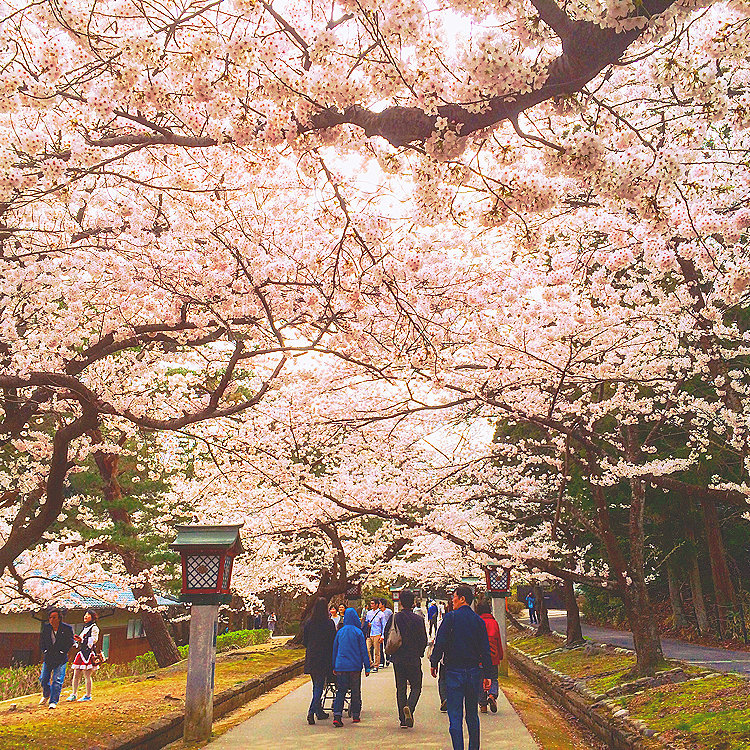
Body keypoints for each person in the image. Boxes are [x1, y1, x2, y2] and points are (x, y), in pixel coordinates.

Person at [430, 585, 493, 750]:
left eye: (454, 597)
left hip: (453, 672)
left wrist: (434, 662)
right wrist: (488, 675)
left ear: (462, 599)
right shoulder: (478, 621)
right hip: (473, 672)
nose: (453, 600)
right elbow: (485, 650)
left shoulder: (450, 618)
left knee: (455, 716)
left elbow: (440, 641)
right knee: (472, 715)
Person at [389, 589, 428, 729]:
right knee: (416, 686)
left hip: (398, 658)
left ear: (400, 602)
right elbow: (424, 639)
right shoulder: (418, 619)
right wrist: (420, 652)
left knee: (400, 687)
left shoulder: (394, 618)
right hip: (413, 658)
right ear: (413, 603)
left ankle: (402, 719)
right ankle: (409, 708)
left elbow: (388, 635)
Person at [331, 607, 371, 727]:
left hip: (341, 666)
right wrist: (367, 667)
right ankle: (356, 714)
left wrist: (334, 665)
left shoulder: (340, 632)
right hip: (354, 666)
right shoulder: (358, 632)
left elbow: (335, 650)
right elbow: (363, 651)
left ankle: (337, 715)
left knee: (341, 691)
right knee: (355, 690)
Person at [302, 597, 336, 724]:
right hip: (324, 658)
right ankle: (311, 711)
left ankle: (319, 711)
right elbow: (333, 641)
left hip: (311, 657)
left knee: (316, 686)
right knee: (319, 686)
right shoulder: (329, 623)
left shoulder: (309, 622)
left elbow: (304, 641)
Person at [39, 607, 75, 709]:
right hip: (48, 657)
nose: (52, 620)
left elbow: (70, 641)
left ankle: (53, 701)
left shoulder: (66, 629)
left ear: (59, 618)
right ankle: (46, 694)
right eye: (50, 617)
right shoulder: (46, 628)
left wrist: (62, 651)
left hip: (60, 658)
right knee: (43, 678)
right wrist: (44, 650)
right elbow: (42, 641)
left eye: (54, 617)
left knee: (57, 680)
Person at [66, 609, 100, 702]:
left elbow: (93, 640)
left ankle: (88, 695)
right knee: (76, 674)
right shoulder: (85, 627)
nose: (85, 616)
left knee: (87, 675)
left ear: (92, 617)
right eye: (85, 615)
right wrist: (78, 640)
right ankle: (74, 694)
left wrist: (82, 640)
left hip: (88, 653)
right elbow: (82, 640)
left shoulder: (94, 628)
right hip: (81, 652)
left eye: (88, 615)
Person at [476, 601, 503, 713]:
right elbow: (498, 640)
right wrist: (500, 655)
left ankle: (482, 705)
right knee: (493, 678)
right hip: (493, 656)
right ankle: (492, 695)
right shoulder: (494, 623)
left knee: (480, 680)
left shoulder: (477, 622)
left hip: (480, 657)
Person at [437, 597, 454, 712]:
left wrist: (434, 660)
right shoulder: (472, 619)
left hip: (445, 656)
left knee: (442, 679)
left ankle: (444, 698)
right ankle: (452, 699)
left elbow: (439, 640)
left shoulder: (443, 621)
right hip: (461, 657)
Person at [378, 598, 394, 667]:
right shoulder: (378, 612)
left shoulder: (388, 611)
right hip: (380, 630)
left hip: (388, 630)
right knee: (380, 646)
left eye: (379, 603)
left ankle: (388, 657)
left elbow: (392, 619)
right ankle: (382, 661)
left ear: (383, 604)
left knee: (387, 645)